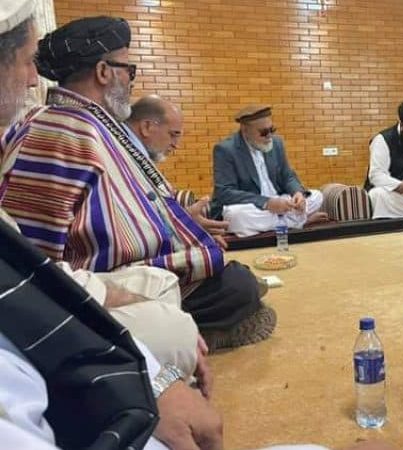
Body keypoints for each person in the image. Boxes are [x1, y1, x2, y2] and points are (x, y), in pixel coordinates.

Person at [0, 16, 274, 351]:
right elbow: (37, 253)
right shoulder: (58, 131)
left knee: (233, 279)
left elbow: (128, 200)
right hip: (104, 280)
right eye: (129, 70)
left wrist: (182, 222)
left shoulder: (93, 122)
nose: (131, 81)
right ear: (104, 72)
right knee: (235, 286)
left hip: (133, 267)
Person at [124, 94, 231, 249]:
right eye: (173, 134)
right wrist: (184, 225)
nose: (176, 145)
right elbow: (132, 226)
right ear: (146, 127)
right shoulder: (121, 156)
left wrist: (189, 226)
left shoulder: (135, 154)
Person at [211, 104, 328, 237]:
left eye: (272, 130)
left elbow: (287, 176)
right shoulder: (226, 150)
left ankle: (281, 223)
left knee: (317, 196)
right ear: (245, 130)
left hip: (280, 203)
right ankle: (300, 221)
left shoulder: (276, 143)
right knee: (235, 216)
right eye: (263, 132)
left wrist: (297, 193)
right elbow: (224, 192)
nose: (269, 136)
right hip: (254, 206)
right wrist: (267, 203)